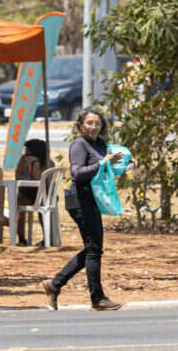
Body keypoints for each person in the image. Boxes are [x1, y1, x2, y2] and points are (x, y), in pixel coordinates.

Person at [41, 109, 124, 311]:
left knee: (92, 249)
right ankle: (97, 298)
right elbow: (78, 174)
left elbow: (105, 170)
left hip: (93, 199)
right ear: (81, 126)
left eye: (97, 123)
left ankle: (55, 284)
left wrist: (125, 165)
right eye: (89, 123)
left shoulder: (101, 144)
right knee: (94, 249)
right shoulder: (79, 144)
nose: (94, 127)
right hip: (79, 200)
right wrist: (104, 163)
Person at [15, 139, 55, 245]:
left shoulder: (48, 163)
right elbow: (17, 175)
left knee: (42, 207)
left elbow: (38, 179)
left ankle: (47, 238)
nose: (26, 153)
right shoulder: (23, 159)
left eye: (28, 151)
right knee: (18, 204)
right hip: (27, 192)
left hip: (44, 194)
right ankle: (21, 238)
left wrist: (35, 163)